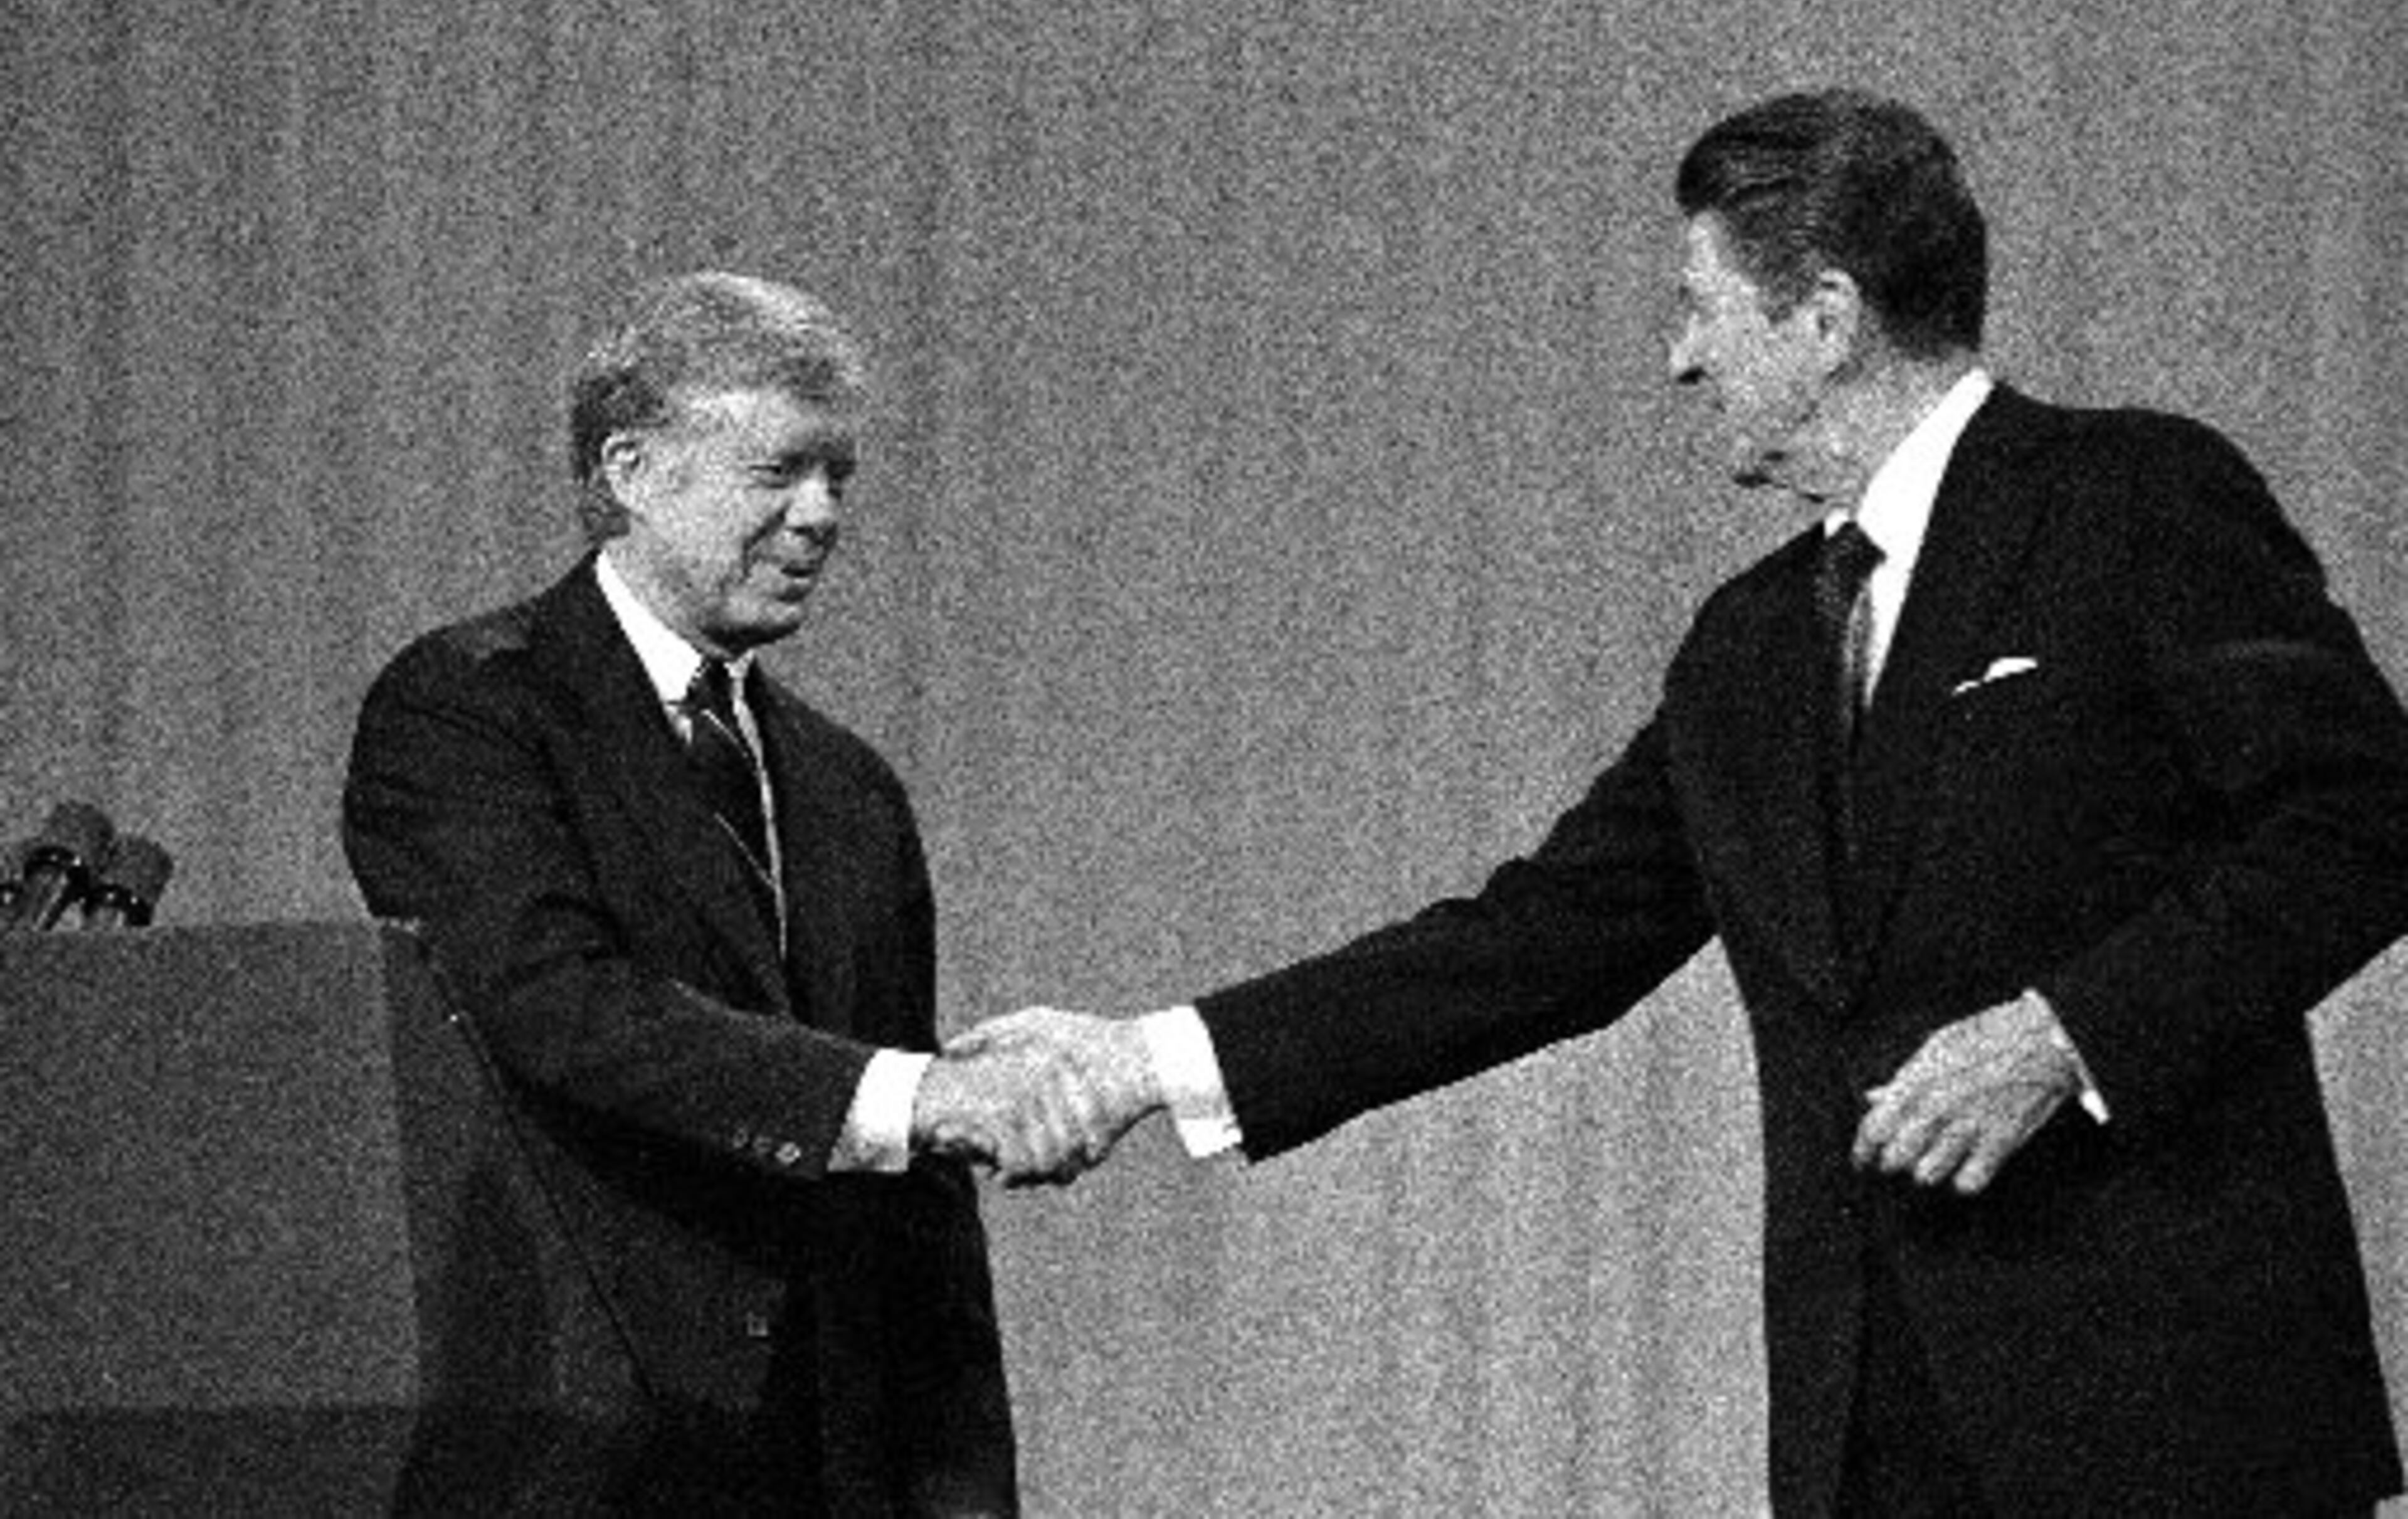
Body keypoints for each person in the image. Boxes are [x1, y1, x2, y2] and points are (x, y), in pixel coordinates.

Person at [952, 91, 2408, 1516]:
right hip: (1870, 1433)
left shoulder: (2132, 497)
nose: (1678, 359)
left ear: (1826, 317)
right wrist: (1148, 1062)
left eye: (1703, 307)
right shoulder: (1751, 645)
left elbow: (2368, 813)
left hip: (2180, 1419)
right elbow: (1537, 939)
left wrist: (2064, 1033)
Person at [344, 272, 1055, 1516]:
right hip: (582, 1453)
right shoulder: (470, 709)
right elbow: (556, 1004)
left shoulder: (848, 788)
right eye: (782, 469)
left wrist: (964, 1492)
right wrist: (909, 1092)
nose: (823, 514)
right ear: (632, 467)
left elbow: (920, 1203)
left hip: (829, 1465)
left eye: (840, 476)